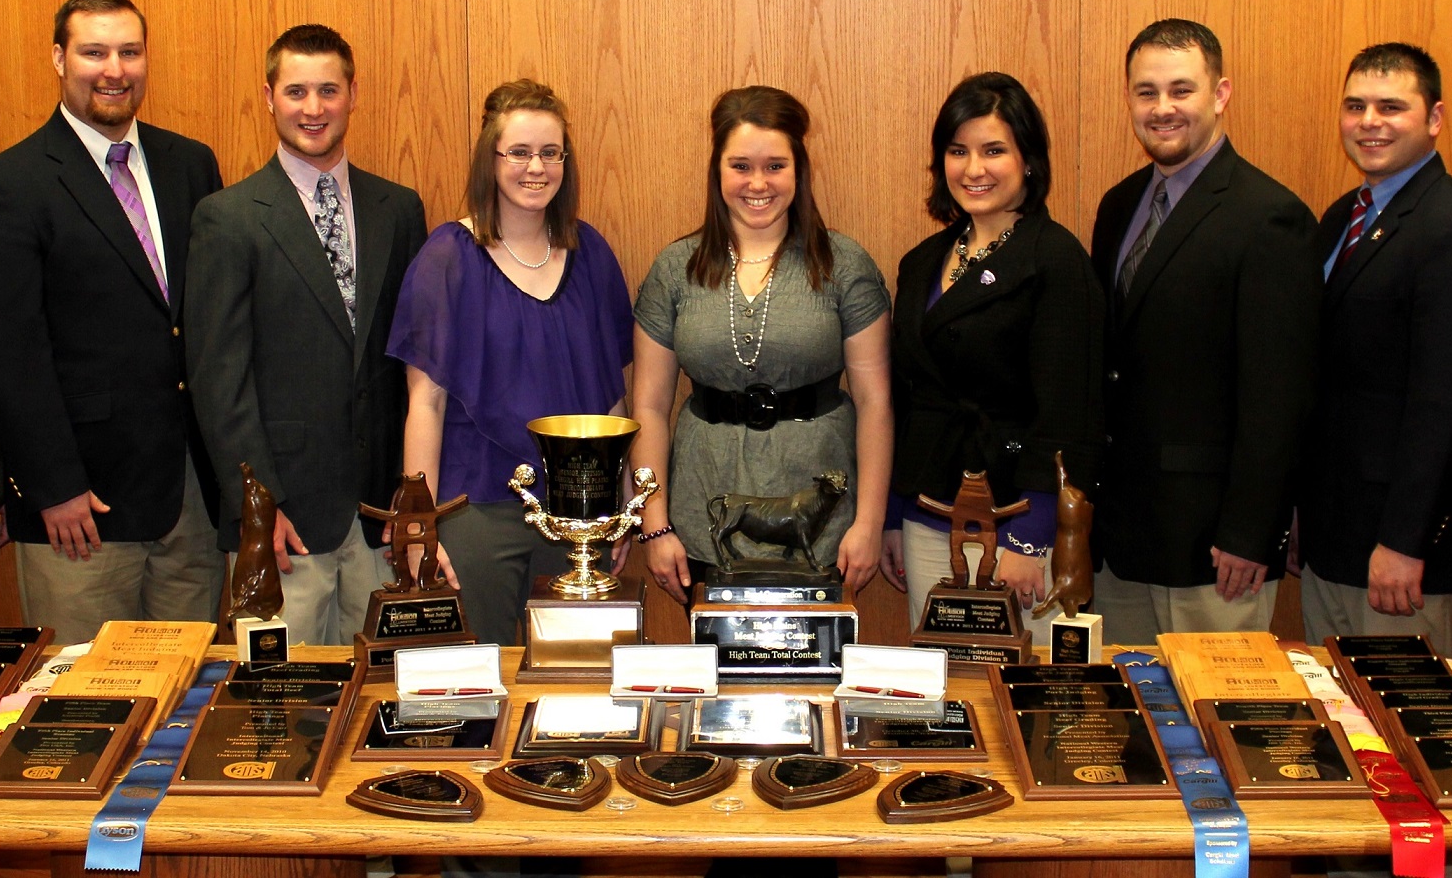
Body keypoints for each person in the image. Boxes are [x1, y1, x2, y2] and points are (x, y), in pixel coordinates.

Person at [1300, 44, 1452, 878]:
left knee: (1425, 783)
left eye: (1392, 106)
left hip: (1409, 560)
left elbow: (1447, 406)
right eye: (1357, 104)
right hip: (1342, 545)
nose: (1370, 121)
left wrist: (1405, 538)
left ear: (1435, 118)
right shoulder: (1342, 219)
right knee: (1360, 767)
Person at [0, 0, 226, 644]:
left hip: (188, 500)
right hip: (79, 507)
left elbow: (206, 327)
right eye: (94, 51)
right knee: (83, 703)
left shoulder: (190, 165)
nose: (114, 68)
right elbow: (6, 350)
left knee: (185, 697)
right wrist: (53, 485)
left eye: (129, 52)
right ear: (58, 58)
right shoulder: (11, 183)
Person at [185, 25, 430, 645]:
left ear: (353, 94)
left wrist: (414, 496)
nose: (313, 108)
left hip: (380, 517)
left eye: (328, 89)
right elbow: (219, 382)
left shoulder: (398, 209)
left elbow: (411, 366)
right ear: (268, 97)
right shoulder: (228, 217)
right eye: (296, 91)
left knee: (380, 688)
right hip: (284, 523)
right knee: (283, 703)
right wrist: (259, 507)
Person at [1088, 19, 1319, 640]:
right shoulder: (1118, 205)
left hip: (1216, 552)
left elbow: (1281, 395)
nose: (1162, 109)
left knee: (1213, 723)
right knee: (1129, 720)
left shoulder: (1270, 217)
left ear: (1220, 94)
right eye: (1146, 92)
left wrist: (1251, 532)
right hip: (1122, 537)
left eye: (1181, 90)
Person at [386, 79, 633, 645]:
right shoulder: (449, 257)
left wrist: (618, 501)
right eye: (519, 152)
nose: (536, 168)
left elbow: (610, 395)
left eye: (550, 153)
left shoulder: (590, 253)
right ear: (489, 160)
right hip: (476, 514)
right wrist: (420, 525)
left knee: (575, 683)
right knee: (484, 681)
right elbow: (424, 402)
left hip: (577, 515)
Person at [627, 86, 895, 602]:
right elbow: (650, 406)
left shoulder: (843, 265)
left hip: (825, 524)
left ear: (799, 170)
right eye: (740, 166)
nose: (758, 183)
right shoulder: (675, 270)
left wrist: (870, 522)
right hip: (704, 511)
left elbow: (876, 402)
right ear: (717, 172)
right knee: (713, 675)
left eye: (775, 166)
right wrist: (654, 525)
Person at [888, 71, 1104, 639]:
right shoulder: (921, 262)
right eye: (957, 151)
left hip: (1019, 521)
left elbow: (1069, 415)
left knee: (1016, 693)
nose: (973, 169)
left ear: (1028, 160)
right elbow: (906, 401)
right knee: (940, 686)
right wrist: (893, 516)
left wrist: (1030, 537)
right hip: (930, 512)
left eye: (993, 151)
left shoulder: (1056, 261)